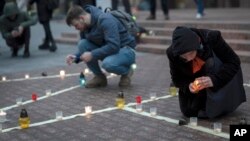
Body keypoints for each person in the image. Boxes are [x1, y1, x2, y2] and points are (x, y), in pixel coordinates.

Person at [166, 26, 246, 118]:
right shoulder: (172, 53)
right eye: (183, 56)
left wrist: (214, 80)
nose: (189, 59)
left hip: (216, 73)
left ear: (198, 42)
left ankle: (220, 99)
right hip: (194, 80)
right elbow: (177, 79)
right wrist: (188, 86)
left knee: (210, 63)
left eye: (191, 53)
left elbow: (234, 61)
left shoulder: (212, 37)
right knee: (188, 111)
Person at [65, 5, 136, 88]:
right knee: (82, 44)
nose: (76, 28)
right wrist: (76, 57)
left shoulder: (105, 20)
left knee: (108, 64)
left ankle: (127, 72)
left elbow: (114, 46)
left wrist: (92, 54)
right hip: (109, 50)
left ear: (82, 18)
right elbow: (85, 48)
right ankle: (99, 77)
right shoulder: (85, 27)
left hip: (126, 49)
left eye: (76, 25)